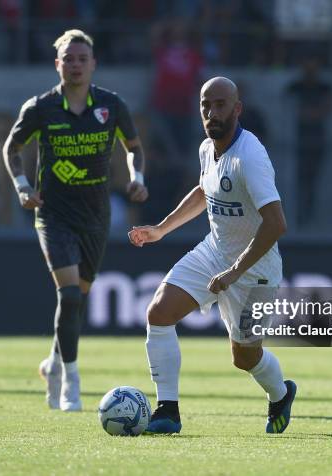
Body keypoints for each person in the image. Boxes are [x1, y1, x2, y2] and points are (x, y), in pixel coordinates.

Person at [129, 77, 296, 434]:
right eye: (206, 105)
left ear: (237, 109)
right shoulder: (208, 147)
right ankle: (167, 411)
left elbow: (276, 223)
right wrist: (161, 229)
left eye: (220, 105)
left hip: (257, 272)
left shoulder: (250, 157)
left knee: (244, 357)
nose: (212, 112)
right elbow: (205, 189)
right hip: (214, 251)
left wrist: (235, 271)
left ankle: (281, 394)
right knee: (158, 312)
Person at [2, 29, 148, 412]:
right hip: (53, 213)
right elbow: (12, 148)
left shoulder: (111, 106)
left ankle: (52, 365)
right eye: (69, 59)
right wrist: (21, 186)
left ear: (93, 64)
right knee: (67, 295)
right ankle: (71, 380)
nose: (76, 65)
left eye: (83, 58)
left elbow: (134, 148)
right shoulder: (41, 108)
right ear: (58, 65)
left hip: (96, 216)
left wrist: (137, 177)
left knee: (77, 300)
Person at [285, 56, 332, 226]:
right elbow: (288, 107)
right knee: (300, 177)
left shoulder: (325, 88)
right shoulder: (295, 87)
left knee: (313, 178)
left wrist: (310, 114)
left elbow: (328, 109)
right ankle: (299, 214)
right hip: (298, 138)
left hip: (317, 137)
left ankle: (310, 214)